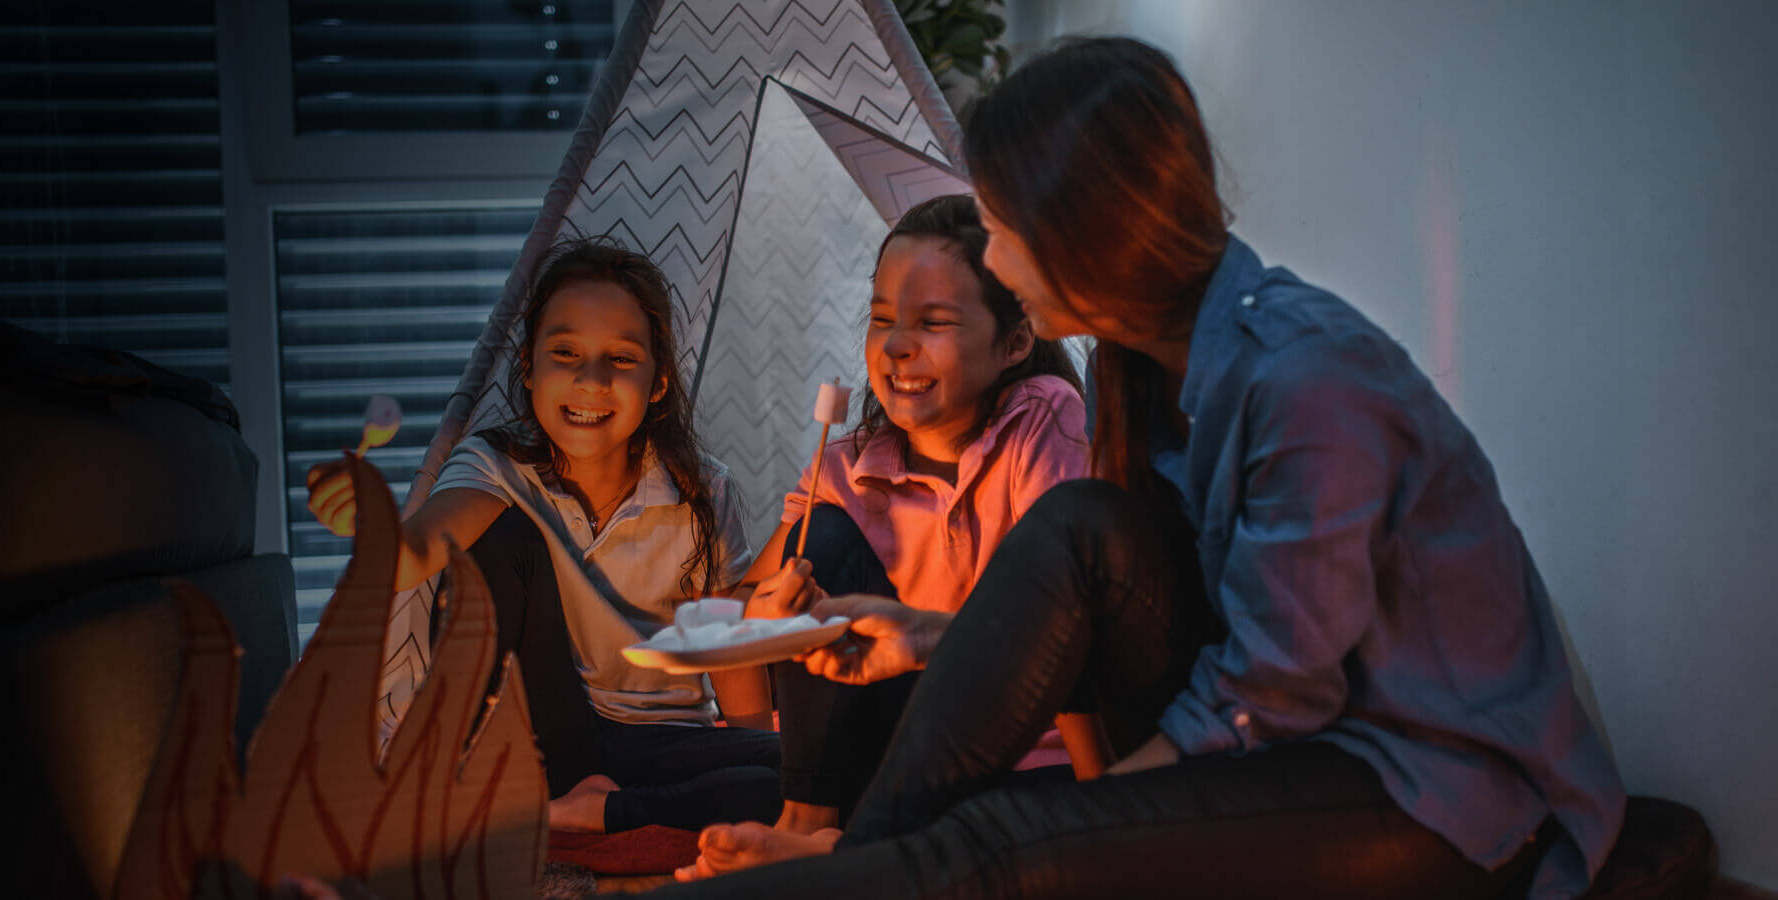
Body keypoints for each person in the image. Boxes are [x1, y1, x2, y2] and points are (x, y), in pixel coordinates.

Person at [650, 36, 1625, 899]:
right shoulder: (1140, 365)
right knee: (1083, 529)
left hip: (1438, 794)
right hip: (1296, 733)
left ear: (1076, 235)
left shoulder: (1306, 378)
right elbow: (1147, 624)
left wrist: (1092, 830)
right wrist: (927, 637)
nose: (989, 250)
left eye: (996, 226)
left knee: (1002, 846)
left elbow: (1273, 692)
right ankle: (858, 858)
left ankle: (857, 867)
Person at [306, 236, 779, 834]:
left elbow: (727, 646)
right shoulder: (496, 465)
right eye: (565, 353)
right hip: (545, 733)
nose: (591, 380)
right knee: (506, 537)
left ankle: (597, 814)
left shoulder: (703, 489)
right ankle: (527, 795)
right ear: (528, 368)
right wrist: (371, 524)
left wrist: (756, 752)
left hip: (663, 740)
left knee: (794, 777)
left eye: (622, 359)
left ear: (658, 382)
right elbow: (420, 550)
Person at [735, 194, 1091, 836]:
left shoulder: (1042, 416)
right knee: (824, 538)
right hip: (896, 755)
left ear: (1014, 342)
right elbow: (741, 608)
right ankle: (806, 829)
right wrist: (770, 616)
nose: (896, 345)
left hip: (1023, 755)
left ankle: (845, 851)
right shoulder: (844, 468)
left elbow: (1058, 623)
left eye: (933, 323)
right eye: (881, 319)